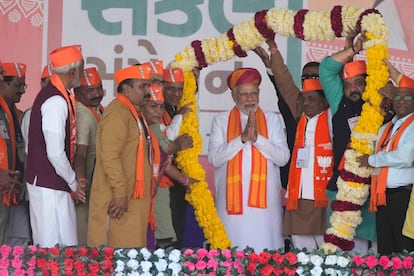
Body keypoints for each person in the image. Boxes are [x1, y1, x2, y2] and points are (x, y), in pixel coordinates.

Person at [208, 67, 290, 252]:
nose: (250, 99)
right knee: (231, 256)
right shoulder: (221, 120)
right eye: (244, 94)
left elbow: (283, 158)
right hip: (230, 207)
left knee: (266, 257)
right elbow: (214, 158)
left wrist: (257, 139)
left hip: (266, 208)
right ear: (234, 96)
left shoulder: (272, 120)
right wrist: (242, 139)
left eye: (254, 93)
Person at [87, 63, 160, 248]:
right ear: (126, 89)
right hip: (117, 201)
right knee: (115, 258)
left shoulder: (134, 113)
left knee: (131, 258)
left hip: (132, 203)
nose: (147, 91)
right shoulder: (118, 114)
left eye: (147, 85)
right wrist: (119, 193)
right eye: (142, 86)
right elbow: (110, 156)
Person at [319, 34, 377, 253]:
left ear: (368, 83)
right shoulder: (339, 103)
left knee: (369, 256)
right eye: (348, 85)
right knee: (339, 251)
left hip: (372, 190)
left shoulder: (381, 106)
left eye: (358, 83)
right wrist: (353, 50)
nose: (353, 89)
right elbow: (326, 69)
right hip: (340, 187)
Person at [26, 45, 86, 247]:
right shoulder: (54, 100)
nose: (82, 75)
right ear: (72, 72)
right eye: (82, 69)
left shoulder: (59, 95)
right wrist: (74, 182)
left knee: (63, 247)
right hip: (49, 185)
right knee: (52, 247)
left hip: (54, 183)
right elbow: (54, 153)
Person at [357, 75, 414, 255]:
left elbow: (405, 157)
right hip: (382, 196)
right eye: (397, 97)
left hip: (404, 197)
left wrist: (372, 160)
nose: (402, 101)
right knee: (386, 250)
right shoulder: (386, 127)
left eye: (407, 97)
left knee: (404, 251)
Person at [282, 79, 333, 251]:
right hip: (298, 191)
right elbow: (286, 88)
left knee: (325, 242)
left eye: (312, 99)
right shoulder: (301, 120)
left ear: (324, 102)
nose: (307, 103)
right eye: (304, 99)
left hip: (320, 192)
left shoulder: (330, 119)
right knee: (299, 240)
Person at [142, 84, 195, 248]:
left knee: (164, 242)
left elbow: (163, 159)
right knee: (159, 244)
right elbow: (165, 151)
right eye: (153, 106)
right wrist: (178, 145)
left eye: (161, 107)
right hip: (148, 192)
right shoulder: (147, 125)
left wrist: (185, 180)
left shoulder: (155, 124)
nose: (157, 111)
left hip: (160, 191)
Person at [162, 67, 203, 248]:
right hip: (162, 186)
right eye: (171, 88)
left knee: (176, 239)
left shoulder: (175, 108)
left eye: (180, 89)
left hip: (177, 186)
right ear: (161, 86)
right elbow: (163, 147)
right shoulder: (156, 108)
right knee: (165, 242)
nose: (176, 94)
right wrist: (178, 117)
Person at [72, 67, 104, 246]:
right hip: (88, 183)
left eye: (99, 88)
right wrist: (81, 182)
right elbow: (80, 153)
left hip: (97, 183)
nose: (97, 93)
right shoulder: (83, 114)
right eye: (90, 90)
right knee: (84, 234)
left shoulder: (96, 109)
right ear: (77, 92)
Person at [0, 62, 29, 245]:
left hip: (8, 186)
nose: (21, 91)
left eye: (23, 85)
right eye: (16, 85)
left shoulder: (10, 112)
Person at [21, 64, 52, 154]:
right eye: (50, 83)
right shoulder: (31, 114)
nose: (54, 87)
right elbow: (28, 151)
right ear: (42, 83)